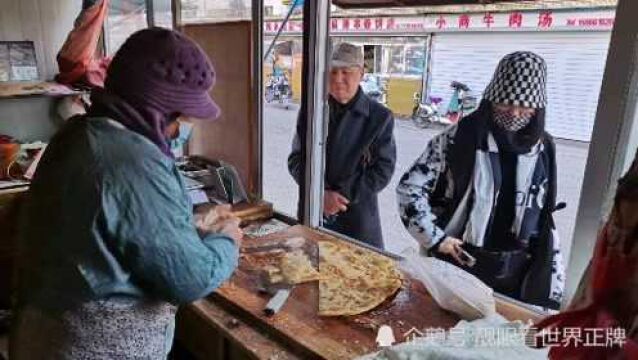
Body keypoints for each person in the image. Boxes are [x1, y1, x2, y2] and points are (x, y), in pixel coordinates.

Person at [11, 28, 241, 359]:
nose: (180, 130)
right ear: (159, 110)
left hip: (43, 334)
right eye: (179, 118)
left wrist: (184, 227)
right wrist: (227, 241)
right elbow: (189, 278)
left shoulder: (77, 133)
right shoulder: (132, 159)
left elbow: (112, 227)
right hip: (95, 346)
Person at [397, 52, 565, 309]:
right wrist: (435, 238)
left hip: (516, 271)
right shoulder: (457, 139)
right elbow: (411, 188)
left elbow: (544, 211)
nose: (515, 113)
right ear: (491, 99)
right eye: (505, 105)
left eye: (525, 107)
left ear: (538, 108)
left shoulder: (544, 147)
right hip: (458, 261)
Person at [288, 42, 396, 249]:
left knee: (361, 275)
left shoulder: (379, 117)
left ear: (361, 73)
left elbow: (383, 170)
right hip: (313, 210)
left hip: (356, 218)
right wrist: (319, 194)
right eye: (332, 71)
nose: (338, 79)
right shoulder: (312, 110)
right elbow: (295, 160)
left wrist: (339, 198)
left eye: (346, 72)